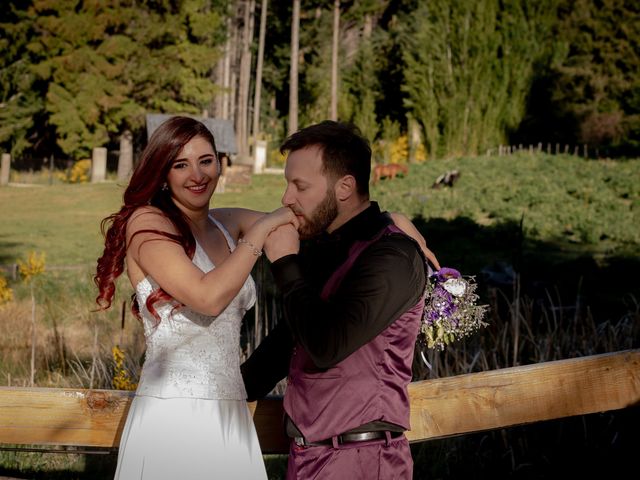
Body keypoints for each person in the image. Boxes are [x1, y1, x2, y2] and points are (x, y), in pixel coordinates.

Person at [94, 115, 297, 479]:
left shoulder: (224, 222)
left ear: (219, 163)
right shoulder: (147, 224)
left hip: (229, 413)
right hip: (173, 418)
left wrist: (389, 224)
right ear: (163, 172)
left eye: (206, 161)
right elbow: (208, 297)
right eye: (181, 164)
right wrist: (263, 230)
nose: (197, 175)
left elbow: (303, 220)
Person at [241, 120, 436, 479]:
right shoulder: (325, 247)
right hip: (307, 460)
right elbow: (287, 342)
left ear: (345, 186)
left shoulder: (393, 256)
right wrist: (214, 392)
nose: (286, 198)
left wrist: (285, 263)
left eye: (300, 186)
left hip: (362, 460)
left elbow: (327, 345)